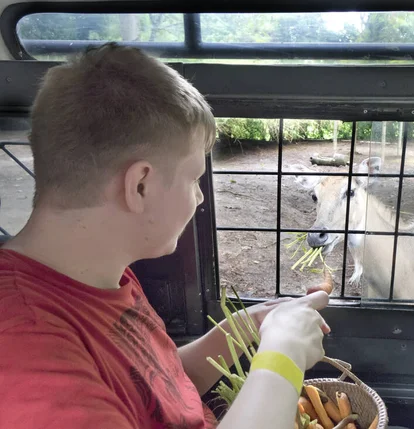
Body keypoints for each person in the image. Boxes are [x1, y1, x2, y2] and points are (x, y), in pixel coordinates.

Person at [0, 42, 330, 429]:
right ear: (140, 185)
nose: (200, 196)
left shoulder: (101, 272)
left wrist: (242, 329)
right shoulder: (31, 362)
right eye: (194, 179)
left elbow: (159, 396)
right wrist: (283, 355)